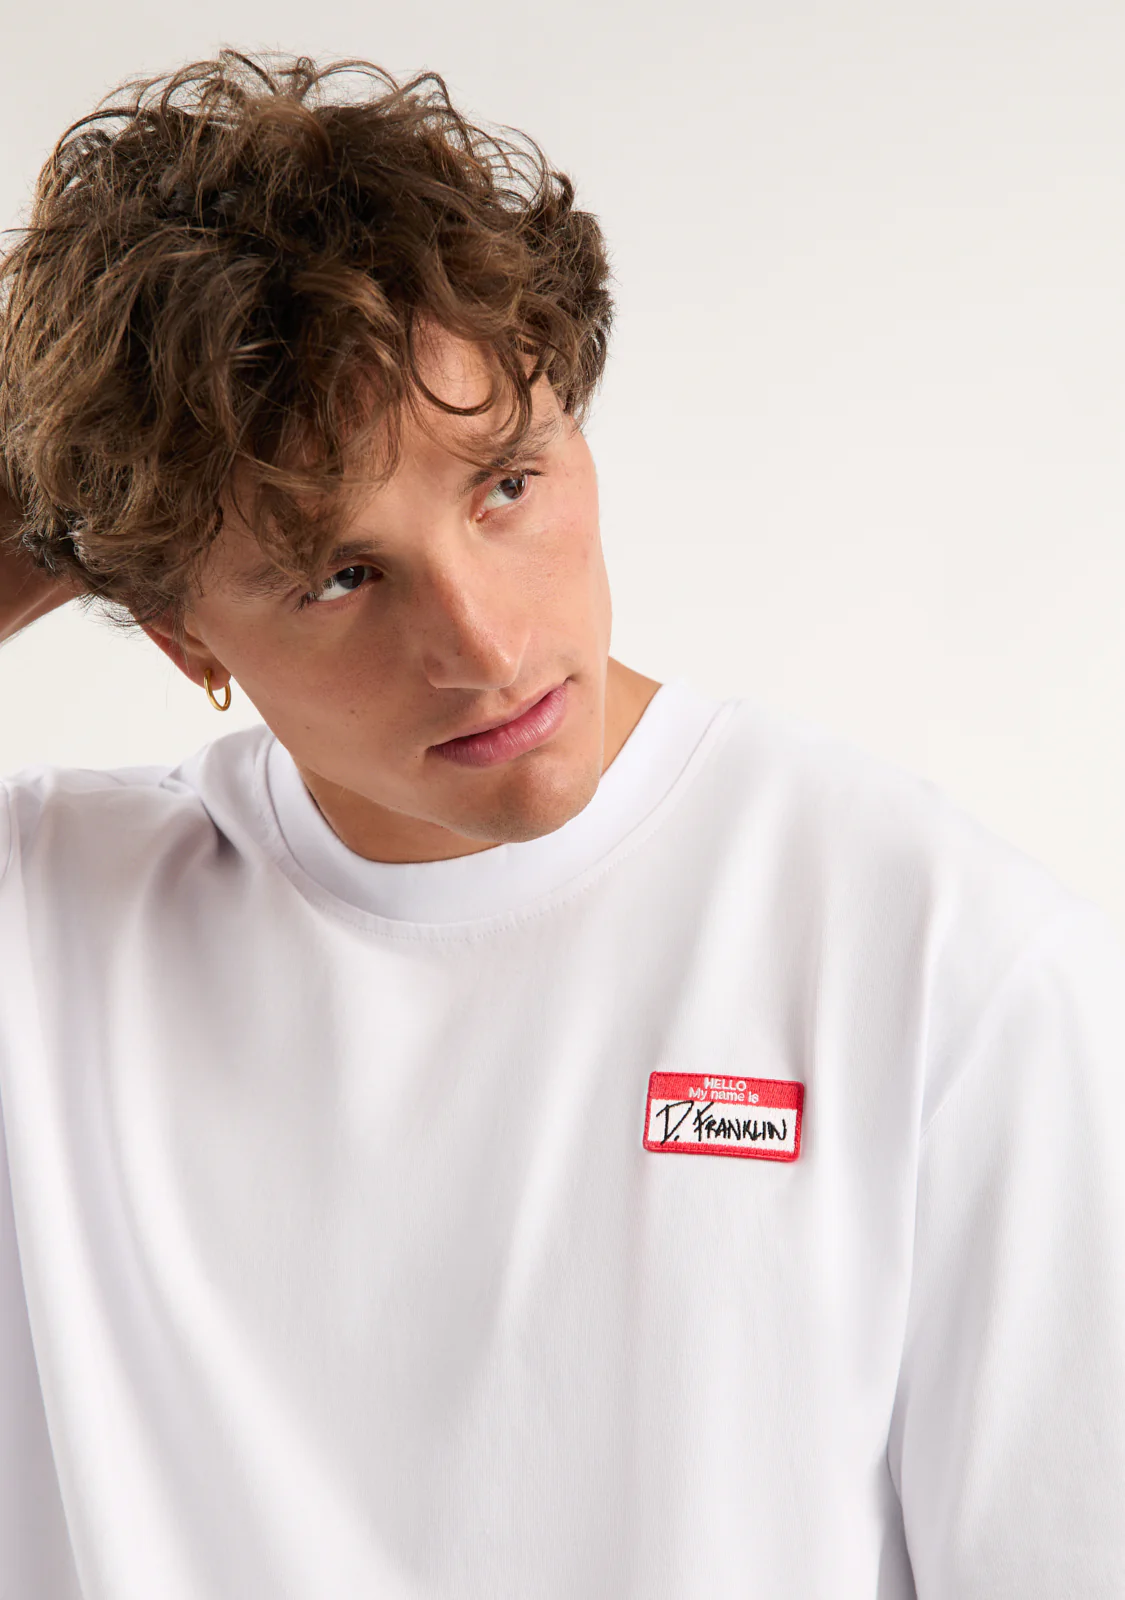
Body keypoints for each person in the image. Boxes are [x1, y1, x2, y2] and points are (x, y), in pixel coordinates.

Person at [1, 50, 1122, 1600]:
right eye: (339, 575)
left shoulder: (945, 961)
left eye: (507, 484)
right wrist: (65, 480)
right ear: (187, 638)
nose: (484, 643)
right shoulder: (49, 935)